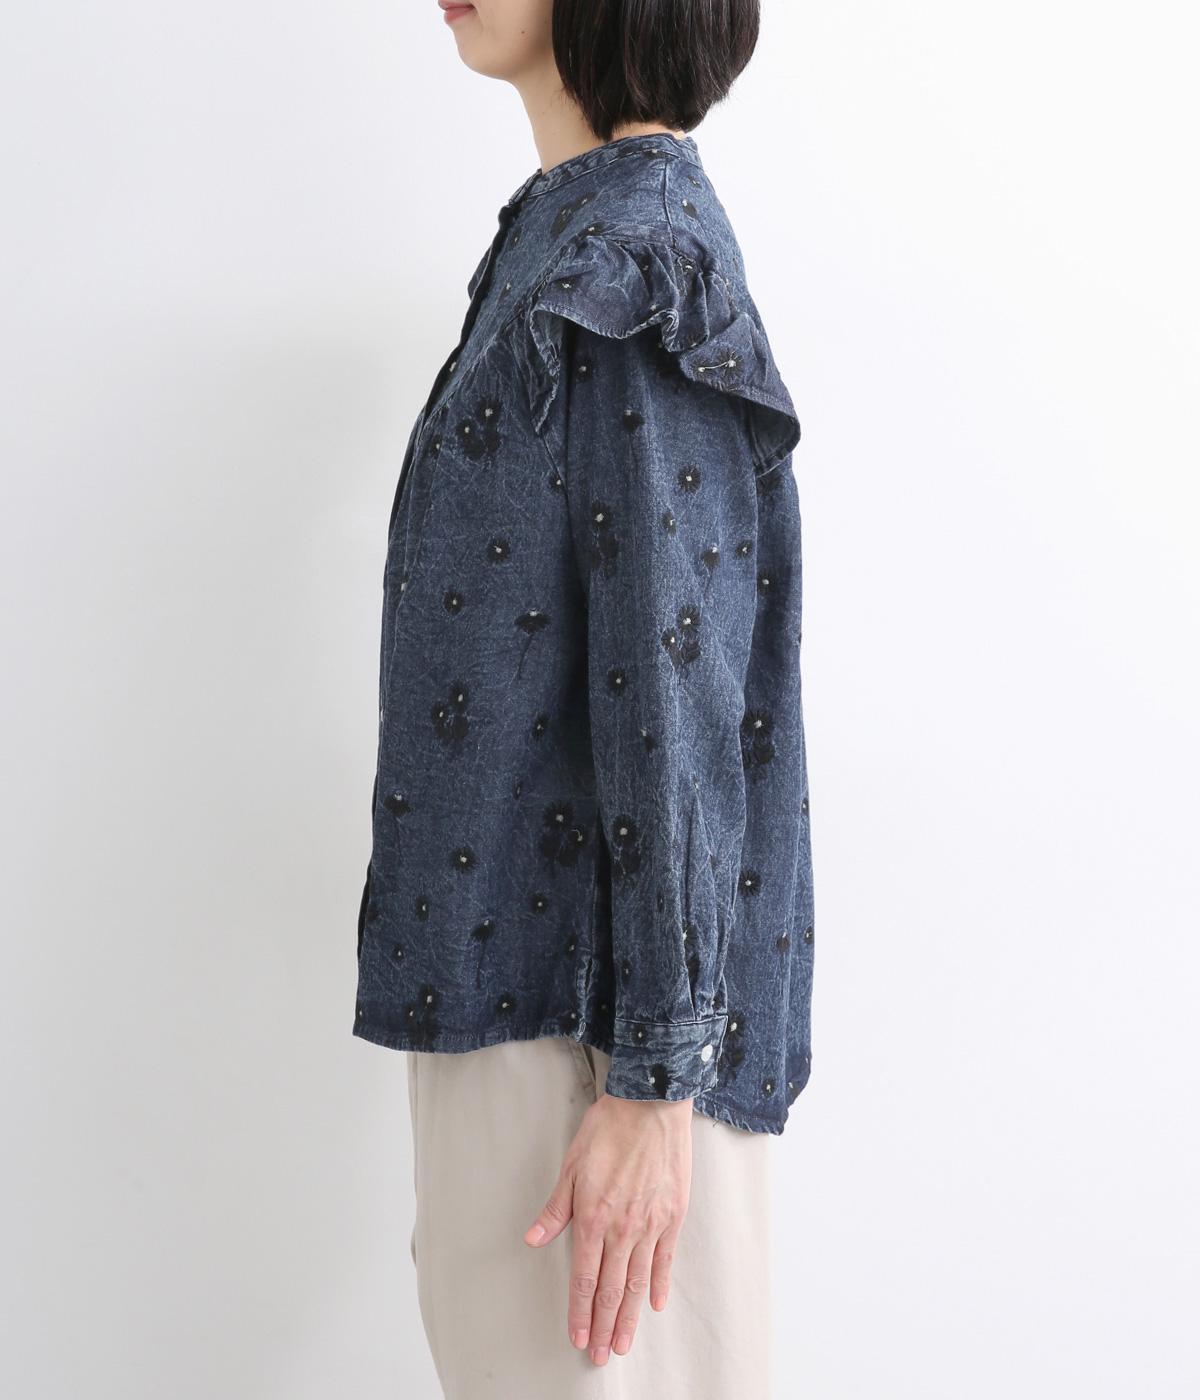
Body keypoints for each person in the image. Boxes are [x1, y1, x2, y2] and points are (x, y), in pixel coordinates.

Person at [351, 2, 815, 1394]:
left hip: (586, 1047)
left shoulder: (633, 259)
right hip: (525, 1008)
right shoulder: (566, 236)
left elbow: (676, 680)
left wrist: (654, 1081)